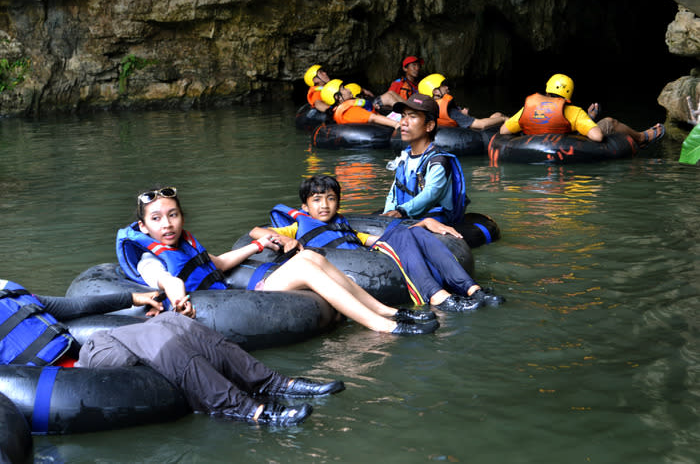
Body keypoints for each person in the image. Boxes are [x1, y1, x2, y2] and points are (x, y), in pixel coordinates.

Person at [0, 278, 344, 426]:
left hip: (88, 356)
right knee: (154, 336)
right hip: (60, 380)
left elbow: (74, 304)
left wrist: (129, 298)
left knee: (173, 322)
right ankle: (247, 411)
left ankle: (272, 384)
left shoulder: (10, 290)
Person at [116, 186, 439, 336]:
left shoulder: (185, 241)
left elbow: (219, 263)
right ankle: (383, 327)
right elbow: (167, 280)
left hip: (232, 295)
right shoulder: (149, 259)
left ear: (182, 217)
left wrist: (256, 245)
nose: (167, 224)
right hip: (221, 307)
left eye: (173, 215)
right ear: (144, 227)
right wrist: (177, 297)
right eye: (157, 219)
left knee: (310, 255)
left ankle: (387, 311)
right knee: (304, 265)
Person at [250, 175, 504, 312]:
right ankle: (437, 297)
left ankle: (472, 290)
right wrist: (284, 237)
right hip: (349, 273)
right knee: (406, 234)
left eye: (330, 198)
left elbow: (382, 240)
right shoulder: (296, 226)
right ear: (305, 207)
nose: (324, 205)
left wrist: (424, 223)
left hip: (369, 261)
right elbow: (254, 231)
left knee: (415, 233)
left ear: (338, 203)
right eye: (317, 200)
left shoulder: (346, 227)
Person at [499, 73, 665, 146]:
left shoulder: (527, 108)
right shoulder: (573, 111)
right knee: (609, 122)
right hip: (566, 142)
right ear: (567, 96)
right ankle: (642, 137)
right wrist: (584, 119)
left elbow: (504, 130)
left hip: (534, 144)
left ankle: (588, 119)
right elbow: (598, 137)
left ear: (547, 89)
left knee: (579, 122)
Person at [382, 93, 468, 225]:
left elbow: (431, 193)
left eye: (412, 116)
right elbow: (393, 193)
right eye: (403, 116)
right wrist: (387, 214)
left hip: (433, 221)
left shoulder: (439, 161)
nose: (404, 122)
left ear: (429, 126)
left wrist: (402, 211)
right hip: (407, 216)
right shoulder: (404, 158)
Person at [418, 73, 507, 130]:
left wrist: (462, 115)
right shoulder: (450, 111)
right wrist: (504, 119)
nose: (447, 87)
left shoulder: (431, 109)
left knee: (497, 114)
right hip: (472, 132)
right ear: (435, 91)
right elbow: (481, 125)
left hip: (456, 129)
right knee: (501, 117)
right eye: (443, 85)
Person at [320, 79, 401, 129]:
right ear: (338, 97)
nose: (348, 89)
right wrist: (397, 125)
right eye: (343, 88)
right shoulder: (348, 111)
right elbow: (373, 118)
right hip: (380, 129)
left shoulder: (340, 109)